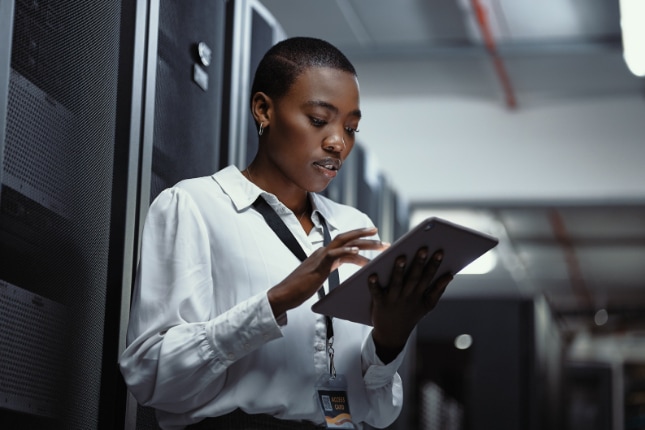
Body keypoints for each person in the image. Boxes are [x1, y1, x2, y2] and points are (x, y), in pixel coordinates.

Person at [119, 37, 453, 430]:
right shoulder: (195, 205)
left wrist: (389, 339)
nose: (338, 143)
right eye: (318, 120)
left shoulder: (353, 226)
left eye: (351, 128)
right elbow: (151, 375)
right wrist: (276, 301)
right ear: (264, 109)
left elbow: (379, 410)